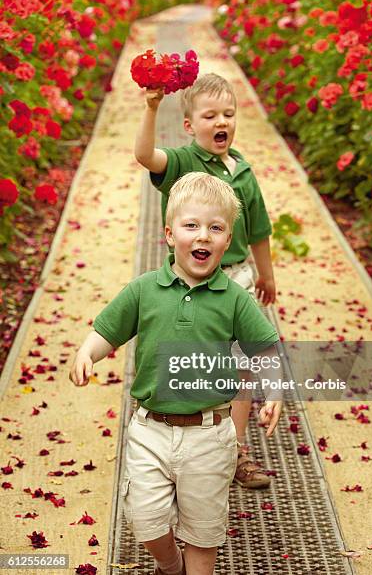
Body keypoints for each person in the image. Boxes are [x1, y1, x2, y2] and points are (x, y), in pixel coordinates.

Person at [70, 173, 282, 575]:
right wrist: (87, 352)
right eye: (192, 226)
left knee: (204, 535)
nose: (203, 236)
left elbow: (265, 349)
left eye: (215, 228)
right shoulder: (144, 290)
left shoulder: (235, 299)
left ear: (227, 239)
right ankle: (170, 566)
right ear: (170, 234)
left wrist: (274, 393)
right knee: (146, 520)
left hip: (210, 434)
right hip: (151, 428)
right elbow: (107, 330)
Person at [134, 73, 277, 488]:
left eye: (229, 114)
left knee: (243, 368)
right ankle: (186, 439)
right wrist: (150, 106)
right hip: (191, 282)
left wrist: (265, 272)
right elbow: (145, 155)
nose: (221, 122)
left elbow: (258, 227)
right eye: (210, 115)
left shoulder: (243, 170)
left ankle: (234, 451)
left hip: (237, 279)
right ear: (190, 125)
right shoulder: (182, 162)